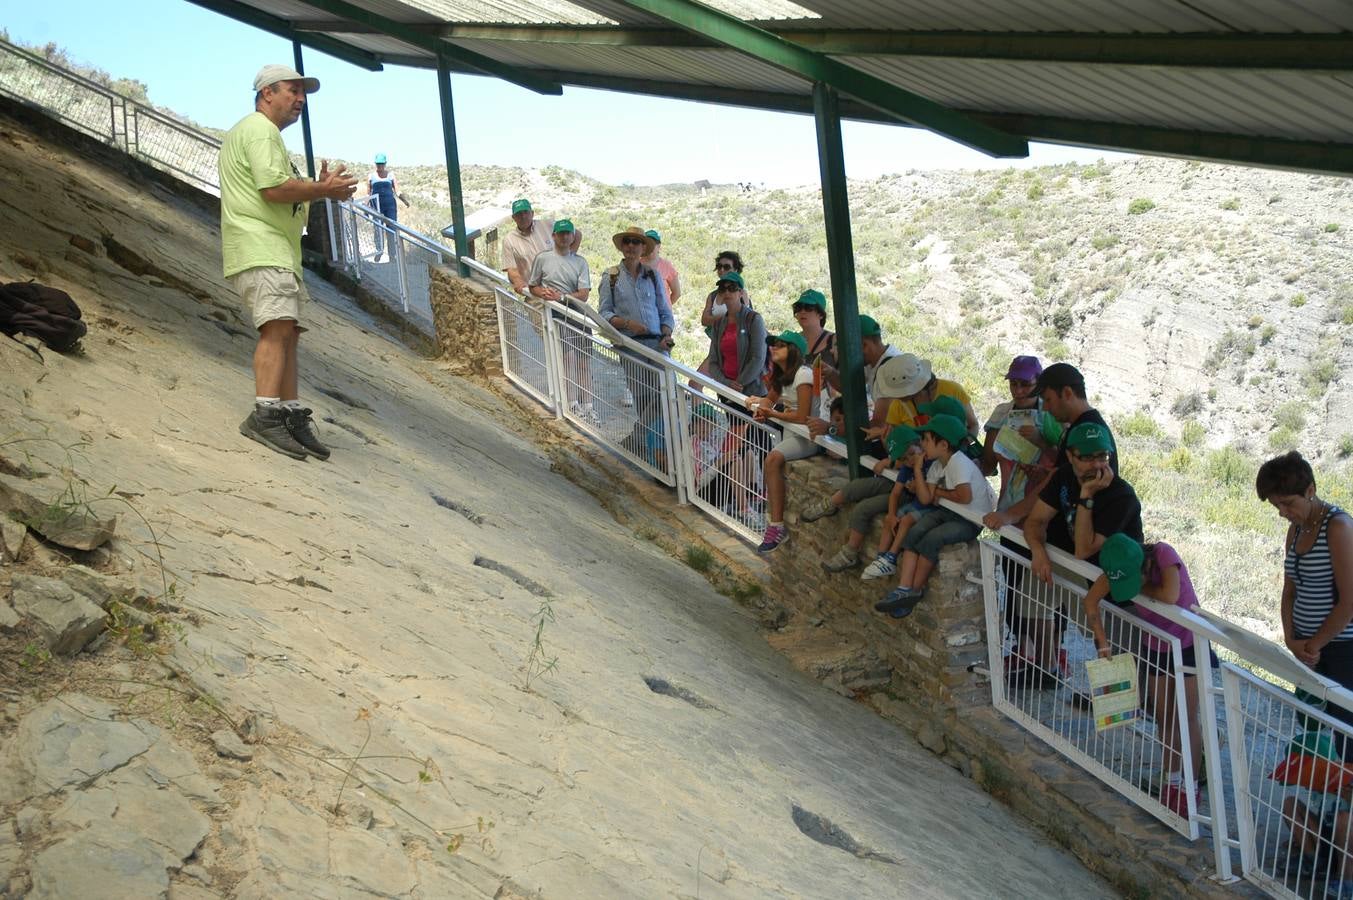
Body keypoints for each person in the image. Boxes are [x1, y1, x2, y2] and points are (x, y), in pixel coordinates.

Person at [219, 64, 358, 461]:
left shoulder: (264, 136)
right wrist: (323, 188)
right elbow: (274, 189)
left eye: (303, 93)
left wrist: (320, 189)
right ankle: (264, 414)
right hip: (260, 246)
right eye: (292, 91)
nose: (300, 99)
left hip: (277, 250)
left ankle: (289, 413)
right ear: (267, 94)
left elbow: (284, 190)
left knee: (288, 332)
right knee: (277, 328)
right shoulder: (260, 130)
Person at [1083, 533, 1215, 818]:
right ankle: (1172, 781)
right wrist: (1102, 641)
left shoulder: (1164, 554)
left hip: (1188, 645)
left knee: (1187, 717)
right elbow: (1091, 601)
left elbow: (1170, 595)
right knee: (1164, 716)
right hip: (1155, 645)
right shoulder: (1117, 567)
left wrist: (1139, 590)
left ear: (1144, 565)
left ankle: (1191, 786)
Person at [1021, 421, 1142, 687]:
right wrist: (1038, 551)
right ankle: (1048, 667)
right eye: (1087, 457)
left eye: (1102, 456)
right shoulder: (1064, 477)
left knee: (1125, 670)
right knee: (1029, 594)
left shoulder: (1121, 497)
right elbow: (1034, 522)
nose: (1096, 465)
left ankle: (1124, 710)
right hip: (1082, 576)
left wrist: (1086, 495)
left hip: (1117, 589)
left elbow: (1083, 548)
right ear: (1070, 456)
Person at [1258, 451, 1353, 723]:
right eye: (1277, 506)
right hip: (1307, 649)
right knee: (1310, 728)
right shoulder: (1297, 529)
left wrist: (1312, 646)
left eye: (1287, 504)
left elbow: (1348, 603)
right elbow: (1289, 590)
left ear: (1310, 490)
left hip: (1341, 650)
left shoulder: (1339, 527)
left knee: (1344, 735)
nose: (1282, 513)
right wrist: (1290, 639)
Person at [875, 414, 996, 617]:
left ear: (943, 444)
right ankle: (903, 589)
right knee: (913, 534)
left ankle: (915, 590)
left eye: (926, 440)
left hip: (970, 520)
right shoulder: (936, 465)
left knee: (932, 539)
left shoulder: (959, 462)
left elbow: (965, 496)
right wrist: (918, 470)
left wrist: (938, 493)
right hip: (950, 512)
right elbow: (925, 498)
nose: (923, 444)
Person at [598, 227, 675, 458]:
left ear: (643, 248)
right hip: (630, 347)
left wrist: (666, 334)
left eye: (636, 242)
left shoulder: (652, 276)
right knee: (643, 397)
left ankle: (644, 443)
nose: (631, 246)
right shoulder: (610, 276)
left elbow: (665, 311)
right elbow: (604, 314)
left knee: (665, 394)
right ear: (622, 246)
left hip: (656, 346)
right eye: (628, 242)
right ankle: (652, 450)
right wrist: (628, 324)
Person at [746, 331, 820, 553]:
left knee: (772, 459)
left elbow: (802, 416)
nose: (773, 348)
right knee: (773, 459)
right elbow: (770, 400)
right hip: (791, 434)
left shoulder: (804, 375)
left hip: (808, 436)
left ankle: (776, 526)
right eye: (773, 345)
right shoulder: (782, 374)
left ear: (794, 350)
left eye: (780, 345)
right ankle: (775, 524)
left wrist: (771, 414)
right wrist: (760, 406)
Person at [808, 423, 915, 573]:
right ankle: (829, 504)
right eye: (905, 457)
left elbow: (900, 491)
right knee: (857, 486)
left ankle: (850, 553)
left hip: (908, 495)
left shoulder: (920, 460)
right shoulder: (908, 461)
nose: (908, 459)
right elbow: (901, 462)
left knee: (863, 508)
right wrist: (890, 461)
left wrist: (891, 513)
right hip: (896, 484)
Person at [527, 219, 593, 420]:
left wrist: (562, 297)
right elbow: (533, 286)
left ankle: (588, 406)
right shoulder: (542, 259)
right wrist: (543, 293)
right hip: (556, 314)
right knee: (567, 358)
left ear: (573, 237)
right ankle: (571, 403)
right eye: (561, 233)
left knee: (583, 360)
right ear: (554, 236)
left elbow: (584, 293)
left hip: (577, 313)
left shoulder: (580, 262)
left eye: (568, 234)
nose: (564, 237)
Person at [807, 314, 900, 442]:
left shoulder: (890, 371)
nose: (836, 353)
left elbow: (878, 426)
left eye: (848, 350)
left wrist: (831, 428)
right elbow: (850, 388)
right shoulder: (872, 361)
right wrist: (830, 373)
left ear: (863, 345)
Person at [868, 353, 980, 440]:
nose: (897, 396)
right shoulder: (897, 405)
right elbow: (893, 444)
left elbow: (973, 425)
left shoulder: (953, 390)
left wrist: (963, 447)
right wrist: (887, 437)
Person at [703, 271, 767, 399]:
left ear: (741, 293)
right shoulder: (718, 323)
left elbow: (758, 358)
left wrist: (738, 384)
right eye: (722, 289)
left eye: (732, 288)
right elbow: (713, 361)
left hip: (752, 393)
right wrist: (727, 384)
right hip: (727, 391)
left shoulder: (754, 319)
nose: (727, 293)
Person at [501, 198, 580, 297]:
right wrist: (518, 281)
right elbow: (511, 269)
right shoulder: (509, 240)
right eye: (519, 214)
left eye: (526, 212)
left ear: (532, 213)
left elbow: (577, 234)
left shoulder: (549, 225)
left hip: (562, 290)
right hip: (536, 294)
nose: (523, 216)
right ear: (513, 217)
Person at [364, 153, 409, 262]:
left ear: (385, 164)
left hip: (390, 206)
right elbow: (368, 193)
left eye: (381, 164)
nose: (380, 166)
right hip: (377, 206)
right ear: (375, 164)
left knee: (391, 229)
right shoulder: (371, 176)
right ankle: (379, 251)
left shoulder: (391, 175)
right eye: (378, 164)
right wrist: (366, 207)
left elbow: (397, 191)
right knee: (377, 229)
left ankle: (392, 255)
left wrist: (405, 200)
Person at [793, 289, 836, 398]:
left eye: (808, 307)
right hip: (797, 404)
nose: (802, 311)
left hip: (827, 407)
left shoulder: (834, 341)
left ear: (821, 314)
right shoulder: (793, 342)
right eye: (799, 307)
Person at [642, 230, 681, 305]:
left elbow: (677, 293)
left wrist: (665, 307)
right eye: (646, 243)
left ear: (659, 246)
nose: (649, 246)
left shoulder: (667, 266)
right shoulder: (636, 264)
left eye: (652, 244)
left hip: (662, 315)